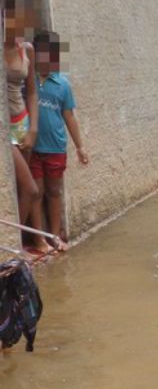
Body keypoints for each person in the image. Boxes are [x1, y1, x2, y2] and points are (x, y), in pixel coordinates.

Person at [28, 31, 89, 251]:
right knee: (36, 192)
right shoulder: (29, 81)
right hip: (33, 148)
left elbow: (69, 117)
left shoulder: (62, 84)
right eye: (41, 54)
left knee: (54, 191)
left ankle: (54, 235)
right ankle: (39, 239)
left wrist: (80, 147)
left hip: (55, 148)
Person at [3, 0, 40, 244]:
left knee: (20, 190)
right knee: (31, 189)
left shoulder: (26, 49)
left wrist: (33, 128)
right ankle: (14, 244)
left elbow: (32, 91)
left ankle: (20, 243)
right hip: (3, 128)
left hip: (22, 123)